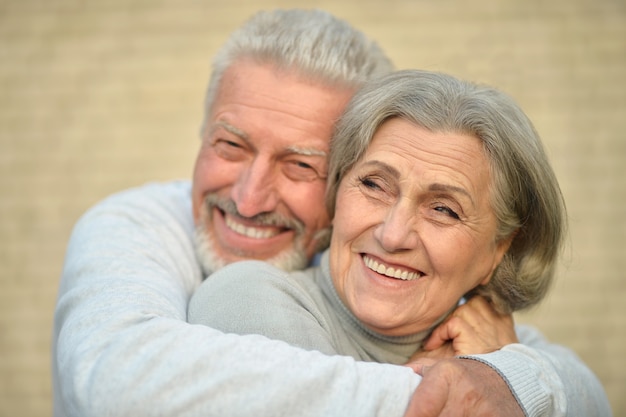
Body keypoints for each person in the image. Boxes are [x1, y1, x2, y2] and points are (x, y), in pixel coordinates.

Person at [52, 8, 612, 417]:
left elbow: (585, 392)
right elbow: (116, 377)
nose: (248, 199)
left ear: (498, 252)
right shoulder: (167, 244)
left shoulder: (478, 327)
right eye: (230, 146)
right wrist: (469, 389)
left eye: (300, 166)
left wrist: (517, 375)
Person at [187, 68, 564, 366]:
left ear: (498, 251)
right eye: (374, 185)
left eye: (443, 209)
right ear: (336, 193)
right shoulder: (246, 296)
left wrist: (508, 369)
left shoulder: (499, 339)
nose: (392, 234)